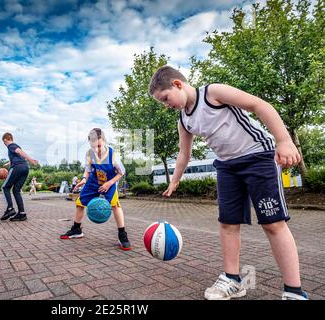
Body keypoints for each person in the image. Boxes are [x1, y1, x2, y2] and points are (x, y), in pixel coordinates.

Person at [149, 66, 306, 300]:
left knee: (273, 224)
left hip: (257, 157)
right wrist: (175, 180)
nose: (166, 105)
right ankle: (232, 280)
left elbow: (259, 105)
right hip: (226, 166)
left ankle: (294, 292)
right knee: (228, 223)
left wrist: (284, 140)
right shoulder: (184, 120)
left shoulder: (213, 92)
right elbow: (184, 154)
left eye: (165, 98)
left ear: (177, 84)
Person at [60, 128, 131, 251]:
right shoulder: (89, 154)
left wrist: (109, 183)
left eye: (98, 146)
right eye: (93, 147)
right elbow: (87, 170)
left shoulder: (112, 155)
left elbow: (121, 172)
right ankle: (77, 229)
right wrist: (83, 179)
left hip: (109, 181)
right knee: (79, 203)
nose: (96, 150)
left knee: (115, 206)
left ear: (103, 141)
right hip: (94, 181)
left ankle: (122, 234)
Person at [0, 132, 38, 222]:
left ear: (5, 140)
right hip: (25, 168)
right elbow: (19, 155)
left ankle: (10, 209)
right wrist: (8, 163)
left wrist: (31, 159)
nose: (4, 144)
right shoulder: (16, 146)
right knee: (16, 190)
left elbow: (19, 151)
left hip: (17, 167)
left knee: (5, 187)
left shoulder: (11, 145)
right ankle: (22, 214)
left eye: (4, 142)